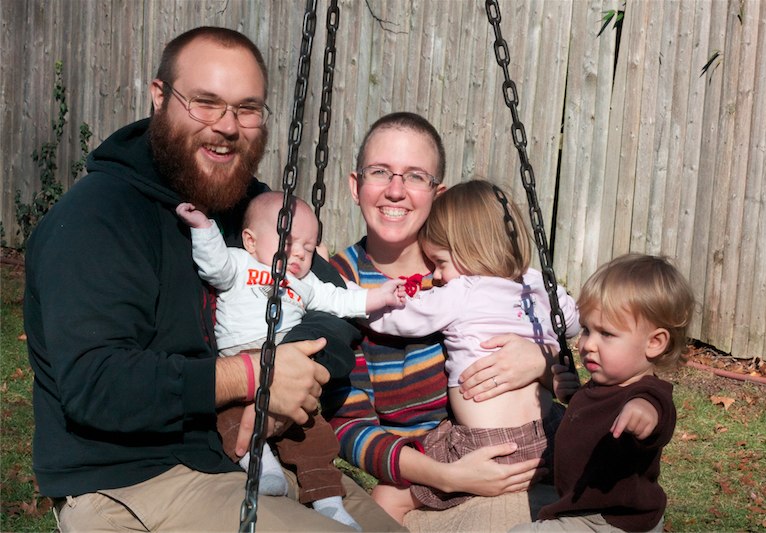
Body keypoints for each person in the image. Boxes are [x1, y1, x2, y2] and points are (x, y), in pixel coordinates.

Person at [24, 26, 403, 532]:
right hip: (137, 478)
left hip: (265, 453)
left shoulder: (254, 207)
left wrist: (295, 362)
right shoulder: (97, 219)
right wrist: (254, 376)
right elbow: (99, 384)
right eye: (205, 102)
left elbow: (333, 311)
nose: (227, 126)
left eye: (246, 108)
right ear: (160, 98)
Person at [324, 112, 561, 526]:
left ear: (438, 193)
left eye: (416, 176)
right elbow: (347, 426)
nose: (396, 191)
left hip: (523, 454)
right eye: (380, 172)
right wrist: (446, 475)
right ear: (355, 184)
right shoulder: (339, 289)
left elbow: (554, 339)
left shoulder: (477, 269)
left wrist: (542, 361)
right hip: (422, 475)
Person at [176, 191, 405, 530]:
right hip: (242, 360)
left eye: (309, 248)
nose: (299, 253)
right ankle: (261, 463)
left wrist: (380, 296)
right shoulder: (240, 262)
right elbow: (213, 264)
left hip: (289, 364)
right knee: (229, 417)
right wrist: (203, 227)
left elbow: (341, 300)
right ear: (251, 241)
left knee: (314, 434)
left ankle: (327, 500)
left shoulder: (306, 283)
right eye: (288, 241)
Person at [364, 179, 579, 519]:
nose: (437, 275)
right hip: (553, 434)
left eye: (441, 263)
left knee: (387, 496)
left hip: (487, 444)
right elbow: (571, 322)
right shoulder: (535, 281)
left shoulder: (463, 289)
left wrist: (356, 299)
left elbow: (399, 320)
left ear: (470, 249)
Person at [511, 253, 695, 533]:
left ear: (655, 343)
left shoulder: (648, 394)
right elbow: (595, 419)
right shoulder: (606, 384)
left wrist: (642, 413)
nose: (588, 344)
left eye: (606, 334)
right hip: (584, 507)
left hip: (612, 521)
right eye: (586, 329)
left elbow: (658, 413)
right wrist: (572, 397)